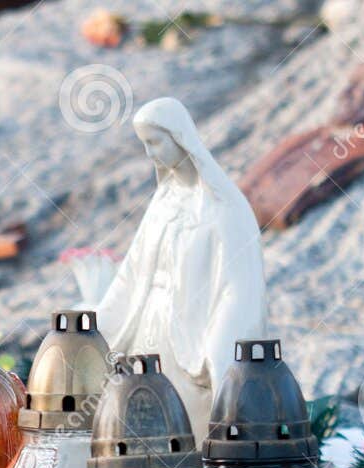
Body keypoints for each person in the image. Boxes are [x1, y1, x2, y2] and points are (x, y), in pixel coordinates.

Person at [97, 97, 267, 435]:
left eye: (154, 142)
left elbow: (240, 288)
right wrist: (95, 325)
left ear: (179, 137)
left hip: (190, 337)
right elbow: (131, 273)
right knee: (141, 421)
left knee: (188, 424)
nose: (149, 154)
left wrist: (221, 347)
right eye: (144, 144)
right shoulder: (163, 202)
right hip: (148, 328)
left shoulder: (224, 208)